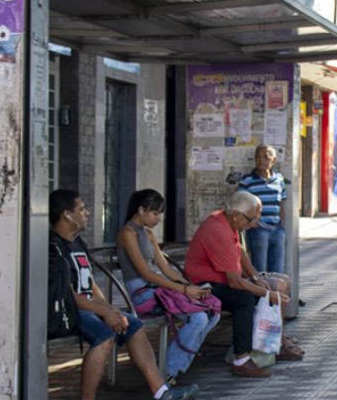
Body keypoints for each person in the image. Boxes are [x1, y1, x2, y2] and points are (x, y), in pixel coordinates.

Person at [50, 189, 198, 400]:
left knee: (134, 324)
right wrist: (105, 313)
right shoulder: (54, 247)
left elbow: (91, 286)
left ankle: (161, 392)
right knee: (105, 337)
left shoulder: (77, 242)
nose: (87, 213)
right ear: (67, 215)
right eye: (82, 209)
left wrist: (112, 309)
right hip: (69, 311)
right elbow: (69, 295)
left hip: (92, 308)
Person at [184, 191, 304, 379]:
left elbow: (239, 250)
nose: (254, 223)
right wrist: (266, 294)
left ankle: (272, 345)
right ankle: (241, 360)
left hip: (220, 280)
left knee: (271, 288)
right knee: (244, 300)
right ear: (236, 215)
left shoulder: (227, 221)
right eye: (251, 219)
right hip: (203, 286)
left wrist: (256, 278)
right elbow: (234, 281)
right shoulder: (218, 230)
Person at [116, 189, 221, 385]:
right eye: (155, 213)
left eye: (160, 213)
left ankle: (173, 365)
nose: (158, 218)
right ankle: (166, 371)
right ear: (140, 210)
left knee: (212, 313)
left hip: (159, 292)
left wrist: (189, 286)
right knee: (198, 318)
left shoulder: (147, 235)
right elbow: (146, 273)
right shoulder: (127, 234)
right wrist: (182, 290)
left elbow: (165, 268)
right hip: (143, 295)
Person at [238, 145, 287, 274]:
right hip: (258, 229)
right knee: (260, 270)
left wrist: (282, 224)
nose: (261, 160)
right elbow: (239, 205)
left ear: (274, 160)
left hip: (277, 229)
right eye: (258, 157)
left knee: (278, 270)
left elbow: (281, 203)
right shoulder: (247, 181)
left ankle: (276, 293)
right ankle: (262, 294)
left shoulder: (279, 179)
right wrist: (251, 223)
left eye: (266, 156)